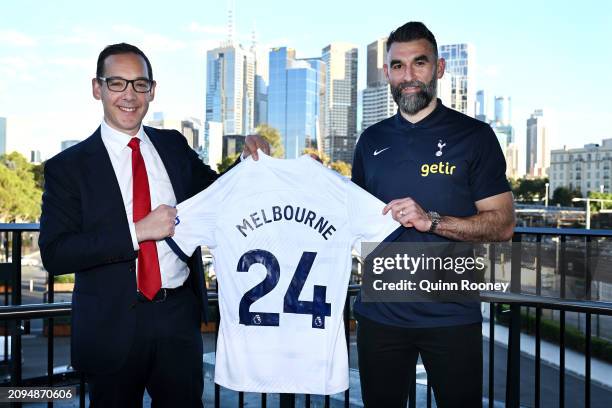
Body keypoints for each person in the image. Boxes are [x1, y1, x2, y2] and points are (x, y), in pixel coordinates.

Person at [38, 43, 269, 407]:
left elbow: (218, 194)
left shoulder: (173, 145)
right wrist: (138, 231)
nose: (129, 95)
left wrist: (247, 161)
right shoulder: (68, 167)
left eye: (139, 84)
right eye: (117, 83)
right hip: (110, 325)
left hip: (178, 317)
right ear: (97, 88)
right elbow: (56, 253)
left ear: (152, 90)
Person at [352, 22, 515, 407]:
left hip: (452, 317)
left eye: (419, 63)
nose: (408, 76)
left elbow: (503, 223)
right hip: (380, 314)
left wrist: (432, 221)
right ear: (387, 73)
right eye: (397, 66)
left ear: (438, 69)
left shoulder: (475, 136)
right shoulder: (370, 140)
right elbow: (353, 214)